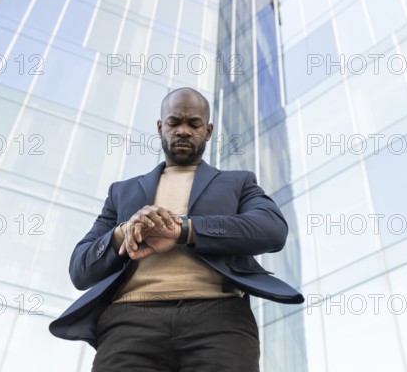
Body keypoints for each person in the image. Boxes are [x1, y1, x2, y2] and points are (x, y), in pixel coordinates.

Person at [49, 87, 303, 371]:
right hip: (129, 322)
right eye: (174, 123)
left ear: (207, 131)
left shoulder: (239, 182)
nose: (183, 130)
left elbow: (272, 229)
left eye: (193, 124)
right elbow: (80, 270)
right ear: (160, 127)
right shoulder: (122, 192)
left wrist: (184, 229)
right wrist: (124, 231)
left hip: (219, 320)